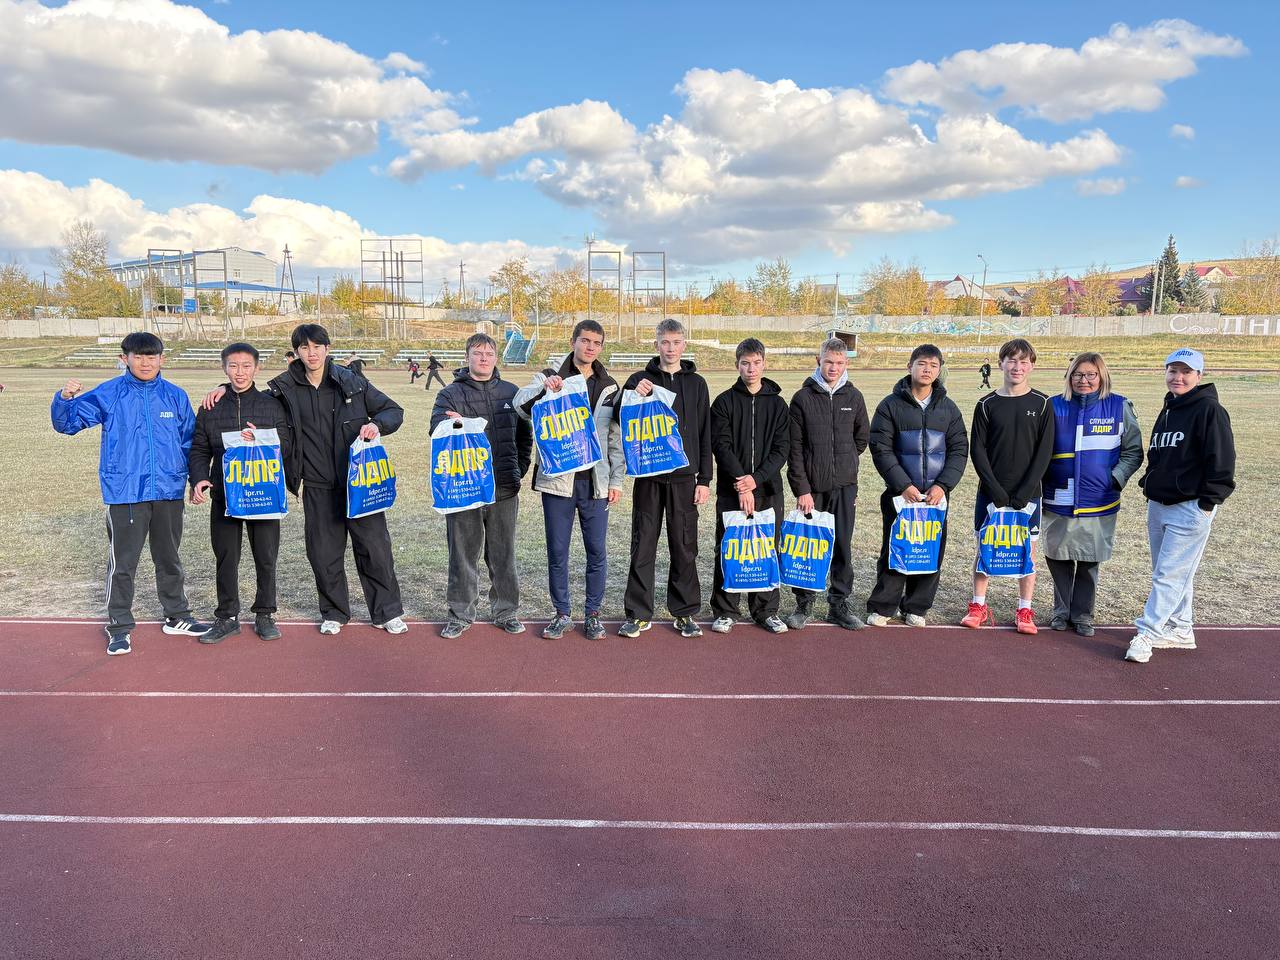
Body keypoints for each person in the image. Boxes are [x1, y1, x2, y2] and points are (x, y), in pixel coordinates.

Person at [202, 324, 408, 635]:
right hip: (316, 484)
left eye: (317, 347)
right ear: (297, 352)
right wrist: (223, 388)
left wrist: (377, 425)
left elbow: (393, 411)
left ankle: (387, 612)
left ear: (327, 348)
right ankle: (334, 613)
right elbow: (250, 396)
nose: (311, 353)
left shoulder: (352, 382)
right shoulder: (284, 388)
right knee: (324, 554)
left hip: (359, 482)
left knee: (375, 549)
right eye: (304, 347)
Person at [51, 332, 211, 655]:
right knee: (123, 564)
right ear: (125, 359)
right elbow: (67, 424)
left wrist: (196, 479)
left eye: (152, 356)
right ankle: (119, 626)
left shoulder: (175, 396)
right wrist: (65, 399)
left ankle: (177, 615)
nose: (146, 363)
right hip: (125, 491)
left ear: (162, 359)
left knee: (169, 558)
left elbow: (191, 443)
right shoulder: (110, 393)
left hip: (167, 491)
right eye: (138, 356)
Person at [515, 320, 624, 640]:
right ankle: (562, 613)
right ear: (573, 341)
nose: (590, 347)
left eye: (596, 343)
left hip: (595, 483)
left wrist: (616, 481)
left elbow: (615, 438)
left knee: (597, 551)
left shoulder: (610, 385)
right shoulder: (550, 375)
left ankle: (593, 614)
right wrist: (544, 389)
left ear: (601, 347)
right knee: (558, 551)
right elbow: (520, 406)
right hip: (559, 480)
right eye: (585, 340)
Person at [1125, 348, 1235, 663]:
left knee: (1168, 574)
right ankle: (1181, 627)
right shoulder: (1170, 407)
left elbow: (1222, 460)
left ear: (1199, 375)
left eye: (1186, 372)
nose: (1179, 377)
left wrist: (1207, 503)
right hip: (1160, 503)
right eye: (1173, 370)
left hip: (1190, 506)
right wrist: (1149, 484)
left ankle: (1147, 633)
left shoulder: (1210, 410)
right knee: (1170, 572)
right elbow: (1158, 454)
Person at [188, 342, 292, 644]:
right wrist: (199, 479)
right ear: (224, 368)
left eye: (246, 366)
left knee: (266, 556)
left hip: (263, 493)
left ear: (257, 368)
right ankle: (227, 616)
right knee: (226, 557)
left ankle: (265, 613)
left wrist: (260, 438)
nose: (240, 372)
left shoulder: (272, 405)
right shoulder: (210, 407)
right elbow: (199, 448)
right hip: (225, 494)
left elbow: (286, 444)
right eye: (233, 366)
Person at [431, 333, 533, 639]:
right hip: (464, 490)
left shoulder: (511, 392)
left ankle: (506, 612)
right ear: (467, 357)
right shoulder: (449, 394)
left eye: (489, 353)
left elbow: (524, 437)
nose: (484, 358)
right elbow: (436, 431)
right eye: (478, 353)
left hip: (504, 486)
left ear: (496, 358)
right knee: (462, 554)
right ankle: (460, 615)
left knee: (503, 555)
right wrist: (451, 424)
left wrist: (518, 469)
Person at [616, 319, 712, 639]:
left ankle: (684, 612)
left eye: (676, 342)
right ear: (656, 344)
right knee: (643, 544)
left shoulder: (697, 383)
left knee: (684, 546)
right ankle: (638, 613)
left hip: (684, 478)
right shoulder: (639, 379)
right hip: (649, 476)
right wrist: (633, 394)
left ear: (684, 344)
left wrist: (704, 479)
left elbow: (705, 432)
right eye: (665, 342)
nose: (670, 348)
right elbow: (618, 415)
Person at [865, 343, 969, 627]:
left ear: (939, 370)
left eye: (934, 365)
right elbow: (881, 448)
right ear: (909, 366)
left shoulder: (948, 408)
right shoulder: (890, 405)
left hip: (935, 497)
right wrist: (903, 485)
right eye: (922, 364)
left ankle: (916, 607)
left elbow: (959, 449)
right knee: (895, 548)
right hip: (901, 495)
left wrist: (943, 485)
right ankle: (884, 606)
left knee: (929, 549)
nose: (927, 370)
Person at [1041, 352, 1143, 637]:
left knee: (1089, 558)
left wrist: (1115, 478)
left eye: (1090, 375)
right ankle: (1061, 611)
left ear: (1102, 376)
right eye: (1077, 374)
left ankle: (1083, 614)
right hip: (1058, 497)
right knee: (1058, 556)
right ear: (1069, 377)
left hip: (1098, 499)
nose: (1083, 380)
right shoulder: (1052, 406)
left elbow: (1133, 451)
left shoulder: (1119, 406)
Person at [962, 338, 1055, 634]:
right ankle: (978, 605)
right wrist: (995, 489)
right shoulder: (986, 404)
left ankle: (1025, 610)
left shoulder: (1043, 403)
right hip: (991, 493)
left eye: (1023, 361)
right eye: (1012, 360)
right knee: (985, 547)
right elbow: (978, 450)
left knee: (1027, 551)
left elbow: (1044, 451)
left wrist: (1026, 490)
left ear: (1032, 366)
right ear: (1000, 363)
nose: (1017, 366)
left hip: (1028, 494)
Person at [783, 338, 870, 631]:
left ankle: (839, 605)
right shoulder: (802, 398)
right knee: (809, 546)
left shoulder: (854, 397)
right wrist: (803, 489)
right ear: (819, 361)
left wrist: (844, 464)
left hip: (844, 487)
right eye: (829, 361)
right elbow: (795, 449)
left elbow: (861, 439)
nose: (834, 367)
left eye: (839, 363)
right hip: (813, 489)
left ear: (846, 364)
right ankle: (804, 604)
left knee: (842, 545)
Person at [709, 338, 791, 634]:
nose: (751, 368)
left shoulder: (778, 404)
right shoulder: (724, 402)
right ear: (737, 365)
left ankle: (766, 611)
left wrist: (756, 480)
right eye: (745, 363)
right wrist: (743, 486)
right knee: (729, 548)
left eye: (756, 363)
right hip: (732, 490)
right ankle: (725, 610)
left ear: (764, 364)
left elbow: (781, 449)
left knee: (766, 548)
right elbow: (721, 446)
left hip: (768, 490)